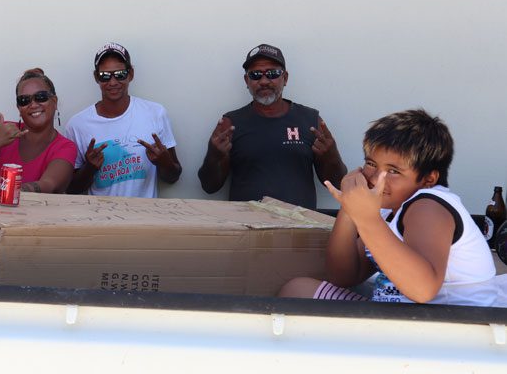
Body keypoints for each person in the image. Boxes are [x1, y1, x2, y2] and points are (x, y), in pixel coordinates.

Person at [279, 109, 497, 305]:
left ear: (428, 178)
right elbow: (344, 276)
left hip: (453, 325)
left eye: (393, 171)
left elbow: (423, 291)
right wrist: (349, 208)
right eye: (371, 164)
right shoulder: (388, 209)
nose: (376, 178)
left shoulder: (428, 206)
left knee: (298, 293)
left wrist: (367, 219)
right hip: (407, 315)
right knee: (299, 289)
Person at [197, 43, 346, 209]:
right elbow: (209, 187)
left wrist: (331, 155)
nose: (264, 81)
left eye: (273, 73)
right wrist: (214, 154)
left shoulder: (311, 120)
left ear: (285, 78)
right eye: (255, 75)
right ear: (247, 81)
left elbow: (338, 184)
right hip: (248, 227)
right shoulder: (230, 123)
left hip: (301, 227)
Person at [65, 42, 182, 198]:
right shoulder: (77, 125)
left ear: (131, 74)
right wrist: (89, 168)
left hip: (145, 219)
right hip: (99, 219)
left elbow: (173, 177)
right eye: (105, 76)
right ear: (96, 77)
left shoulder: (155, 113)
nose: (113, 82)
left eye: (120, 74)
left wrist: (163, 162)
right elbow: (71, 189)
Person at [0, 68, 77, 206]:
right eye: (24, 100)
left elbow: (48, 186)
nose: (33, 104)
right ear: (19, 109)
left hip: (34, 224)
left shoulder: (65, 147)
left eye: (41, 97)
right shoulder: (4, 131)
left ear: (54, 101)